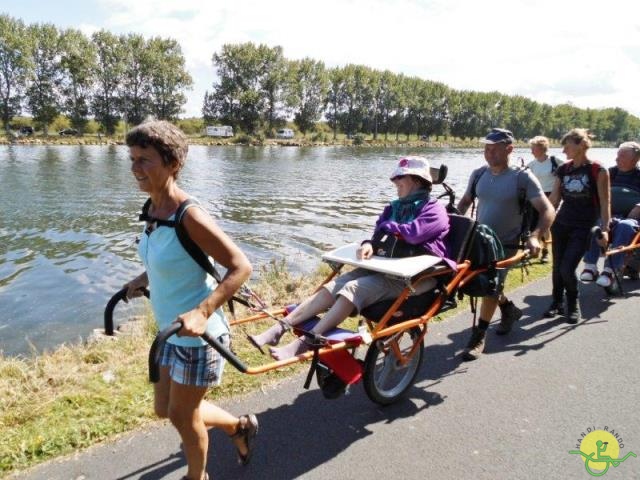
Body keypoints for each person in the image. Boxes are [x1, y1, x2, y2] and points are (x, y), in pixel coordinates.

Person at [123, 120, 257, 480]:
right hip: (170, 330)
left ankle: (196, 477)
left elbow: (241, 267)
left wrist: (202, 311)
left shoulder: (188, 214)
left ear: (173, 164)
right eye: (132, 158)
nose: (135, 168)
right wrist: (142, 278)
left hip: (201, 336)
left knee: (183, 417)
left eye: (144, 160)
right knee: (165, 409)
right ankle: (237, 426)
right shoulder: (153, 210)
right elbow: (170, 257)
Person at [248, 156, 454, 361]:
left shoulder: (435, 210)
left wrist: (386, 227)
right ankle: (279, 328)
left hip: (418, 278)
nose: (395, 182)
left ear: (417, 181)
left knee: (352, 289)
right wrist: (368, 244)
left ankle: (306, 343)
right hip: (387, 269)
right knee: (333, 286)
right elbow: (378, 235)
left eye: (400, 178)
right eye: (395, 178)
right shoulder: (394, 208)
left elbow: (412, 233)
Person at [457, 128, 555, 361]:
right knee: (476, 282)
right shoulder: (478, 174)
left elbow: (547, 209)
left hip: (506, 244)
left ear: (509, 149)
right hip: (478, 241)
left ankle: (479, 335)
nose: (489, 153)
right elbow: (464, 203)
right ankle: (509, 310)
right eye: (486, 149)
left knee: (490, 286)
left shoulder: (523, 177)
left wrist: (535, 236)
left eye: (494, 149)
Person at [547, 128, 610, 323]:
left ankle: (573, 304)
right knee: (557, 267)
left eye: (567, 146)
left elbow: (605, 201)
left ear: (581, 145)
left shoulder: (598, 170)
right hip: (561, 224)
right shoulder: (563, 169)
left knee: (567, 268)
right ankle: (556, 302)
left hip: (584, 226)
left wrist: (605, 229)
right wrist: (542, 226)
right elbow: (554, 200)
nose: (564, 151)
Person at [580, 141, 640, 286]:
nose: (616, 159)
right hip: (609, 215)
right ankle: (590, 267)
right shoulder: (609, 173)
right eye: (617, 156)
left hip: (632, 218)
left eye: (622, 157)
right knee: (597, 224)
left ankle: (609, 270)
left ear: (636, 159)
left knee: (625, 226)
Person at [526, 136, 565, 263]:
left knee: (546, 223)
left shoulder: (555, 161)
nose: (531, 151)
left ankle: (545, 252)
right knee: (534, 224)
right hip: (536, 196)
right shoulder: (531, 165)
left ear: (542, 149)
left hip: (551, 195)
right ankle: (535, 249)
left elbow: (568, 172)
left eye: (533, 148)